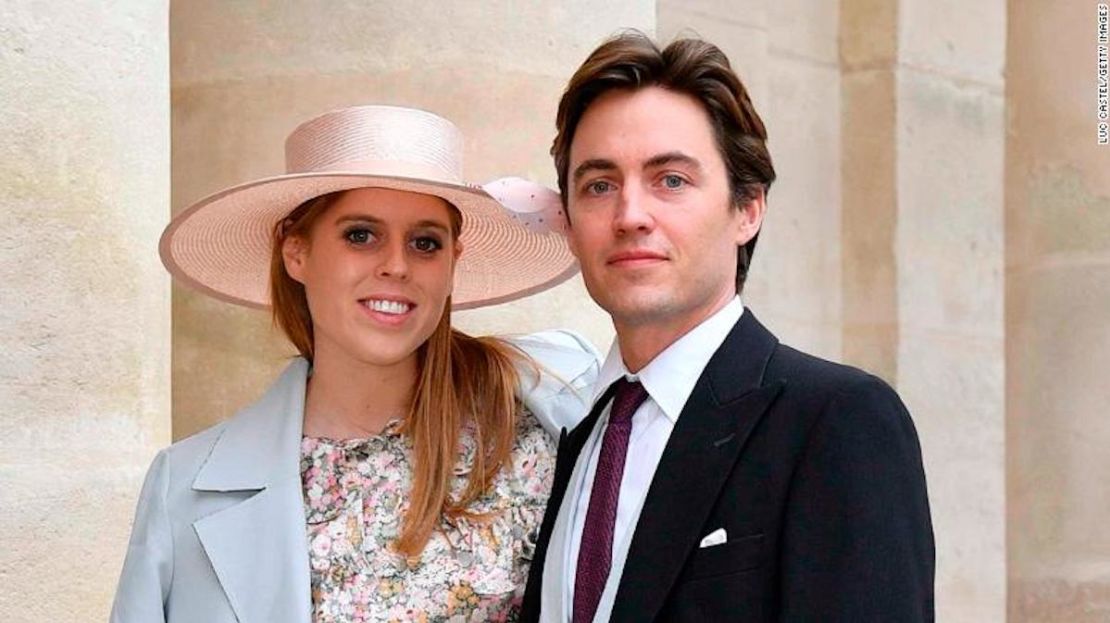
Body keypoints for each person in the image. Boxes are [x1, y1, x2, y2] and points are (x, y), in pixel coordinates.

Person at [111, 104, 599, 623]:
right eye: (360, 235)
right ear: (295, 252)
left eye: (425, 242)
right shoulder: (182, 487)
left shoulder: (529, 435)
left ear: (453, 261)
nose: (396, 265)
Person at [520, 33, 935, 622]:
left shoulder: (837, 420)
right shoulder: (578, 436)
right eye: (599, 185)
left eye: (671, 180)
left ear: (747, 209)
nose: (630, 215)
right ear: (569, 222)